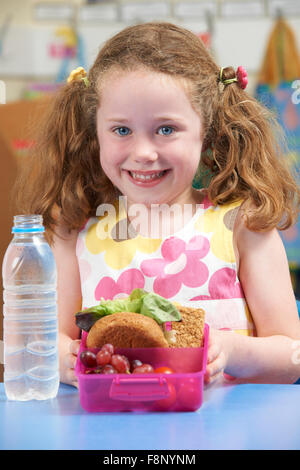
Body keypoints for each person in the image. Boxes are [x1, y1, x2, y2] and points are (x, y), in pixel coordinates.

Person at [15, 22, 300, 387]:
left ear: (207, 131)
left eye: (166, 129)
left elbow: (291, 354)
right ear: (95, 133)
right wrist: (61, 360)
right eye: (121, 130)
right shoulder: (74, 232)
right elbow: (48, 341)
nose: (144, 152)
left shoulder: (244, 226)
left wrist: (231, 350)